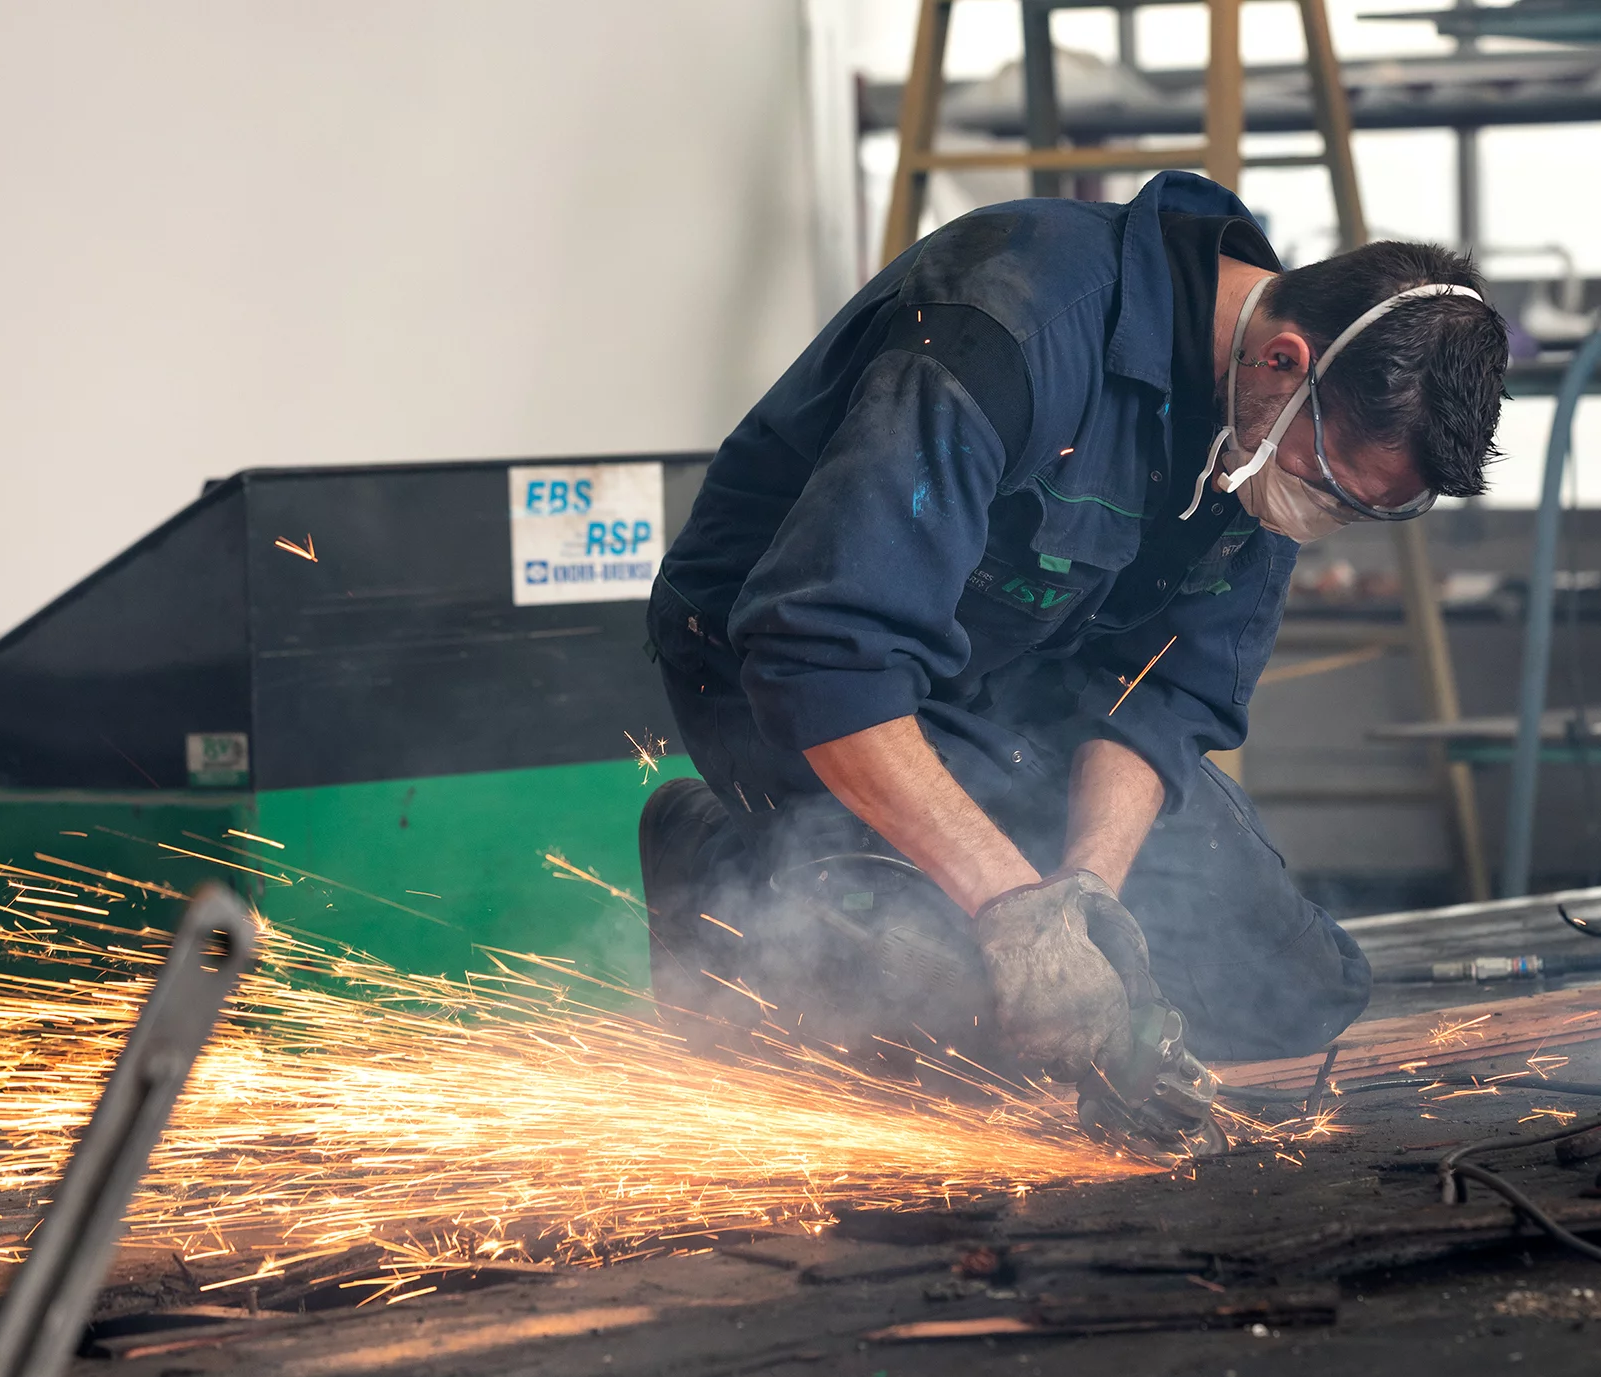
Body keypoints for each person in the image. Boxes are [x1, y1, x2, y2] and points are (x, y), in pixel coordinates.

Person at [638, 170, 1508, 1088]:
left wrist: (1086, 898)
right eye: (1329, 486)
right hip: (783, 672)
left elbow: (1163, 694)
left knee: (1289, 989)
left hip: (1013, 689)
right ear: (1284, 362)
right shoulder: (1010, 324)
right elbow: (825, 656)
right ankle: (718, 864)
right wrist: (1012, 907)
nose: (1320, 516)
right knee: (945, 1005)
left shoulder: (1265, 429)